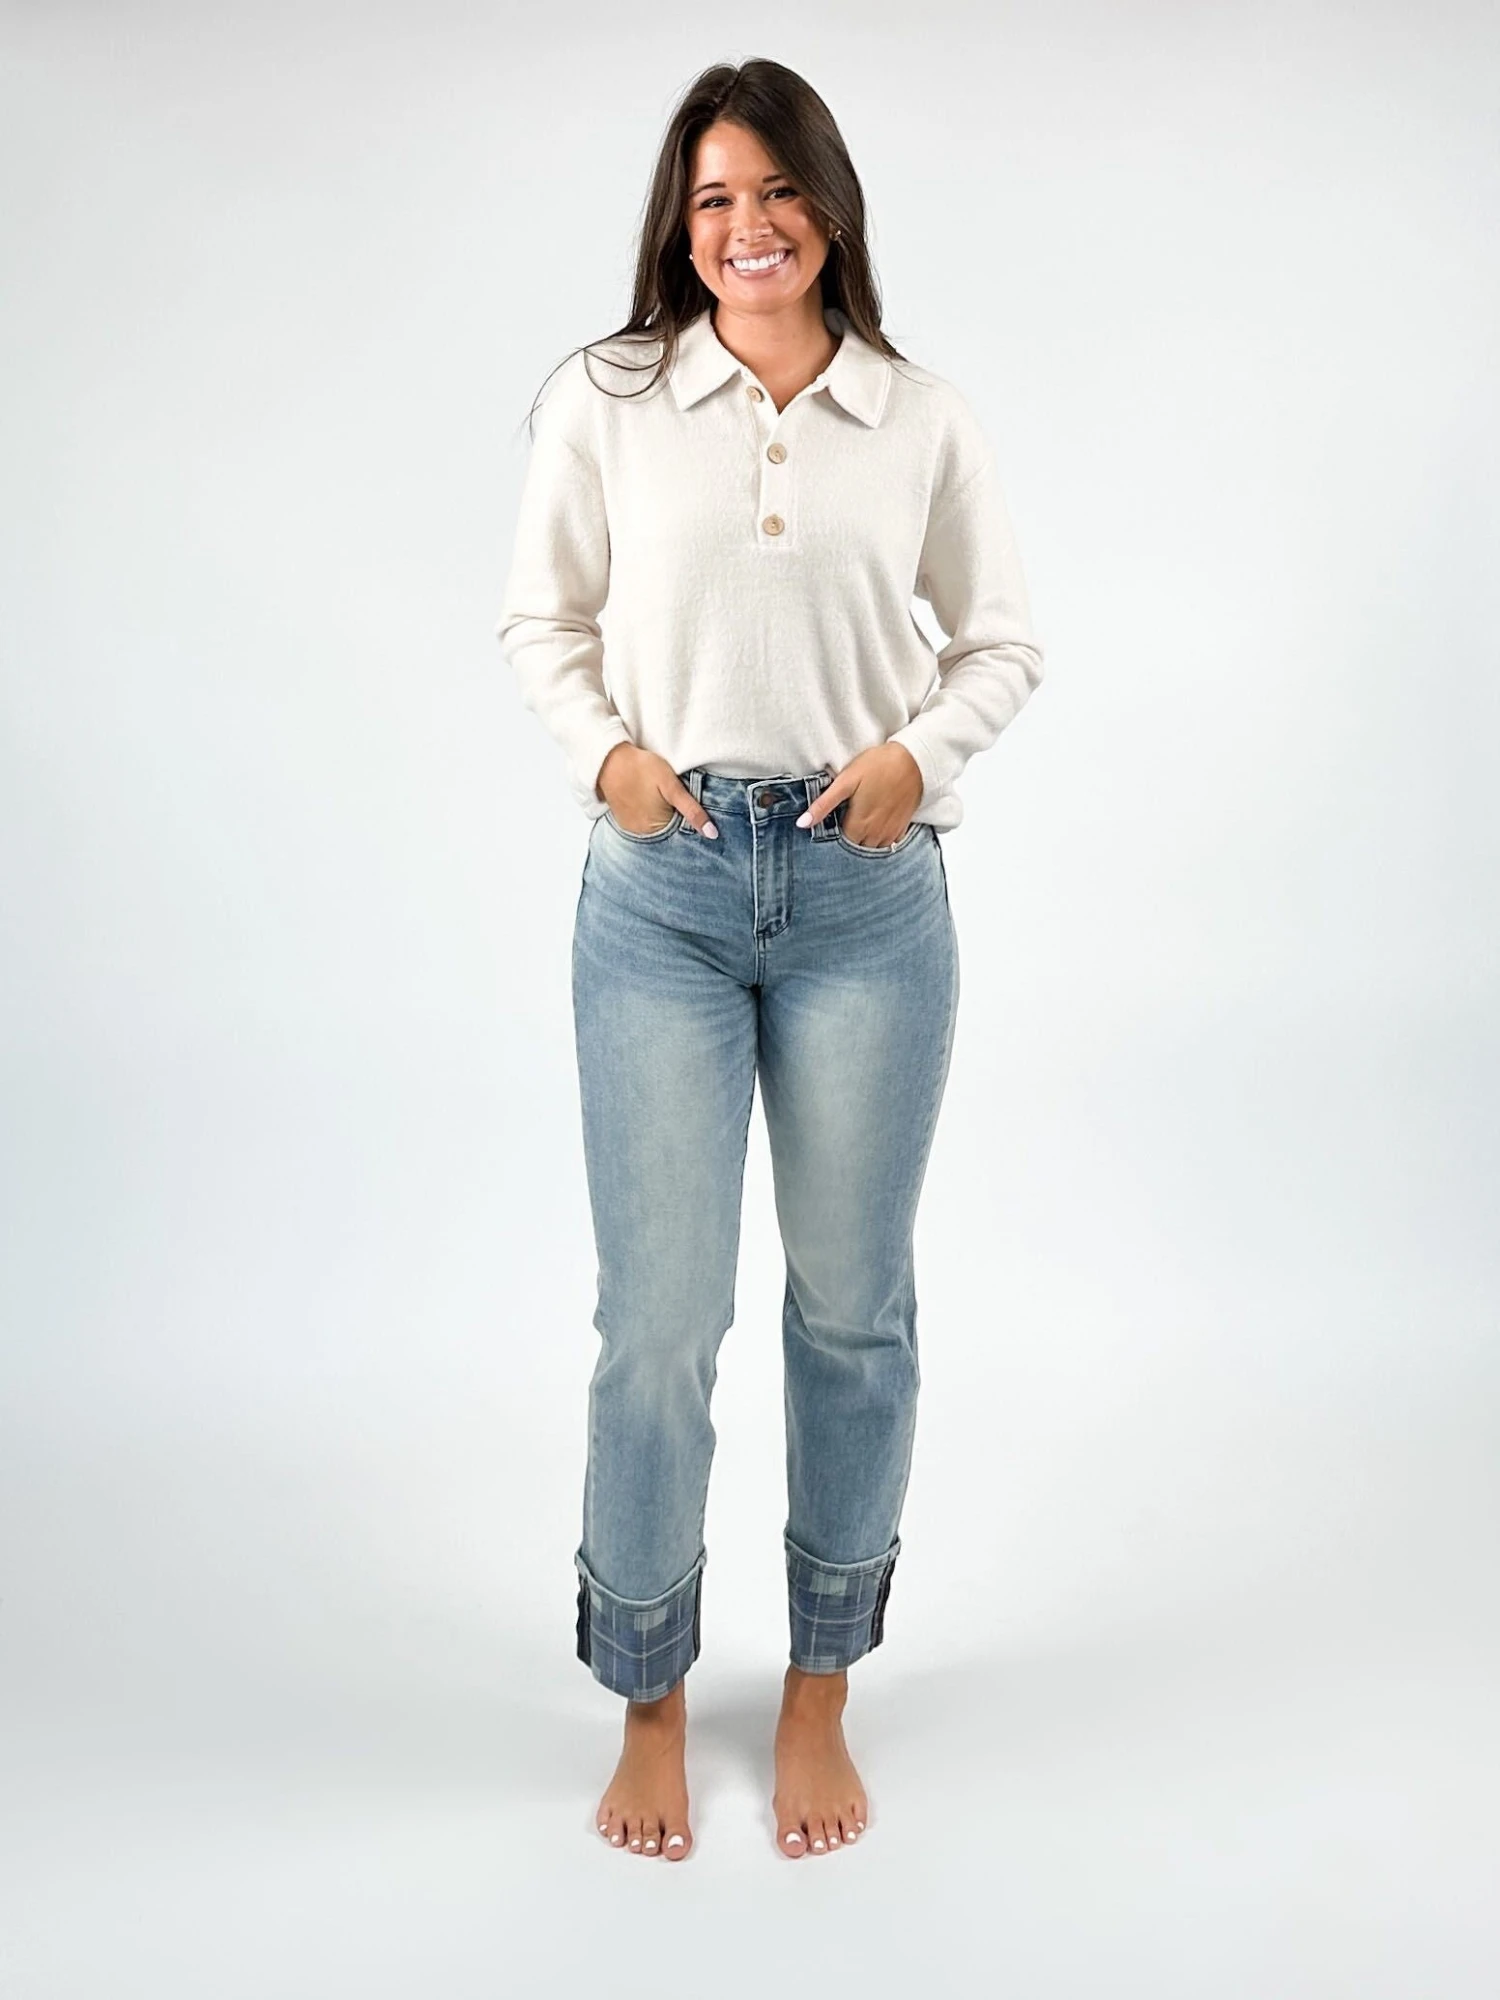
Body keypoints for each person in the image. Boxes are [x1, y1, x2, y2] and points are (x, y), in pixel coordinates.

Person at [496, 57, 1044, 1863]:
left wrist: (915, 760)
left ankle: (819, 1684)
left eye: (780, 191)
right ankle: (651, 1696)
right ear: (681, 221)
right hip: (658, 890)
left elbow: (1000, 643)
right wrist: (608, 760)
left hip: (865, 895)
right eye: (716, 197)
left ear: (831, 206)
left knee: (853, 1309)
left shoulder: (917, 415)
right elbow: (542, 620)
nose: (749, 228)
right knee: (659, 1323)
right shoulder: (609, 398)